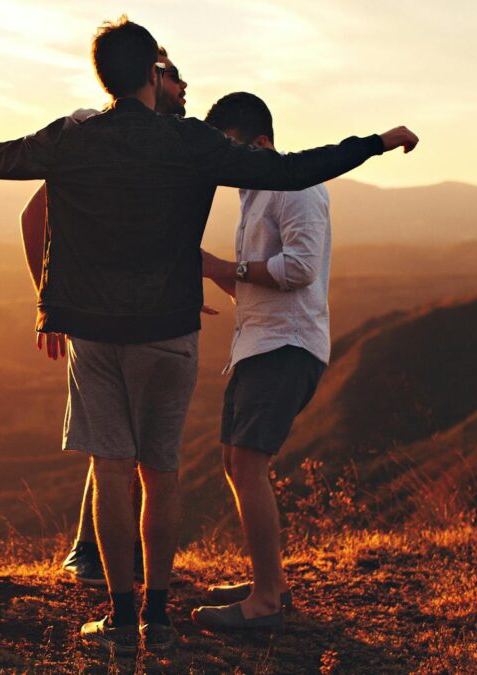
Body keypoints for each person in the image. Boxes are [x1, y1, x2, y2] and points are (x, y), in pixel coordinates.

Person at [0, 16, 417, 654]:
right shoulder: (188, 142)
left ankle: (121, 619)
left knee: (111, 472)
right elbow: (294, 170)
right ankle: (158, 615)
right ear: (153, 76)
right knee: (161, 473)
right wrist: (375, 142)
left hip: (96, 331)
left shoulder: (73, 138)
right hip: (169, 329)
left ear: (105, 76)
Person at [19, 46, 191, 589]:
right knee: (116, 447)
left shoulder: (159, 145)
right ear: (149, 77)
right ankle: (94, 556)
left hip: (137, 312)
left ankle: (110, 565)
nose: (186, 87)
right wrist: (50, 303)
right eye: (174, 74)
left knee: (123, 446)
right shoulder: (92, 133)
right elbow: (34, 214)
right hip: (98, 316)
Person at [190, 92, 335, 630]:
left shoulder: (293, 186)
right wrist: (209, 271)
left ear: (261, 142)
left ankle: (266, 602)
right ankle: (267, 580)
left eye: (227, 147)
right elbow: (254, 282)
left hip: (286, 346)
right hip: (258, 343)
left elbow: (297, 269)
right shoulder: (254, 193)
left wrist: (227, 265)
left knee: (248, 465)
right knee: (235, 462)